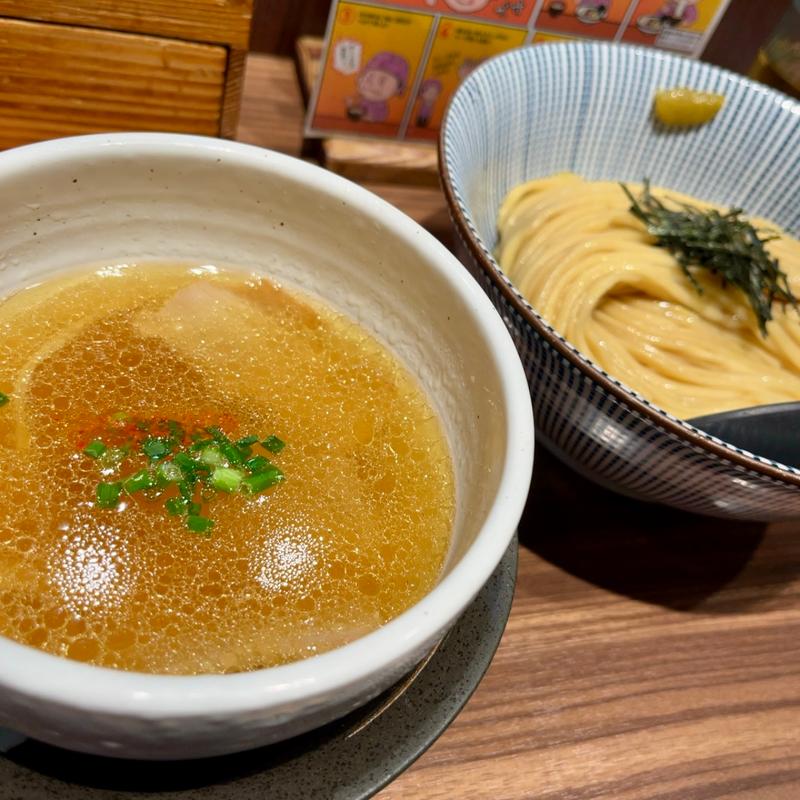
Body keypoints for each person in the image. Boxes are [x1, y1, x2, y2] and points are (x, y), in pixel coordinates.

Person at [346, 51, 410, 123]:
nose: (373, 84)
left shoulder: (380, 107)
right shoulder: (359, 98)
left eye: (382, 81)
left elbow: (376, 118)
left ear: (397, 89)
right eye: (369, 77)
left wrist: (365, 115)